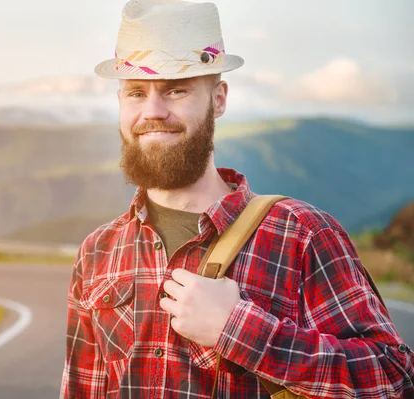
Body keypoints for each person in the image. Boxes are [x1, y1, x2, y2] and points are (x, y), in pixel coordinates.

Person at [59, 0, 414, 398]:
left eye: (177, 90)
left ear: (220, 99)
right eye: (136, 93)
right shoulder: (97, 253)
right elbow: (80, 388)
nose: (153, 111)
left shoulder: (304, 235)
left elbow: (394, 378)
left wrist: (239, 329)